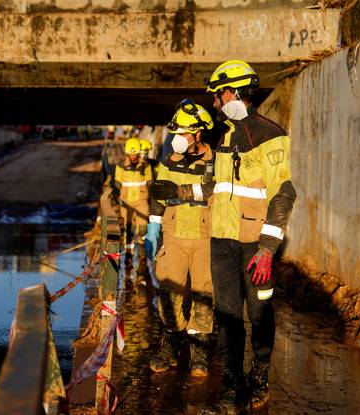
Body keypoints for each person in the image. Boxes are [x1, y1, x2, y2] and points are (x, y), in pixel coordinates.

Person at [150, 60, 296, 413]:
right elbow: (217, 187)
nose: (215, 103)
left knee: (259, 313)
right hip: (222, 241)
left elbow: (284, 193)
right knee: (228, 316)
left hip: (254, 245)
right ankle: (231, 391)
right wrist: (179, 196)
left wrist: (266, 249)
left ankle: (258, 381)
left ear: (234, 92)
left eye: (218, 96)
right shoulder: (225, 136)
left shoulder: (269, 135)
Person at [145, 100, 215, 377]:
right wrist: (153, 227)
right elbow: (160, 194)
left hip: (205, 237)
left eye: (183, 133)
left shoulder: (216, 159)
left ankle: (199, 351)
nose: (177, 139)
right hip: (173, 236)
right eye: (175, 133)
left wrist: (184, 190)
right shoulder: (169, 160)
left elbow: (213, 189)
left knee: (204, 295)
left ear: (198, 133)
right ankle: (170, 347)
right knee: (169, 291)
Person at [113, 138, 153, 265]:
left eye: (135, 153)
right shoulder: (120, 166)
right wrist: (118, 197)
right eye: (131, 154)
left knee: (142, 228)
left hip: (141, 201)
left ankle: (141, 252)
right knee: (128, 228)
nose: (133, 156)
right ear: (127, 153)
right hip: (126, 202)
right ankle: (129, 254)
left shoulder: (145, 165)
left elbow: (149, 181)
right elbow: (117, 182)